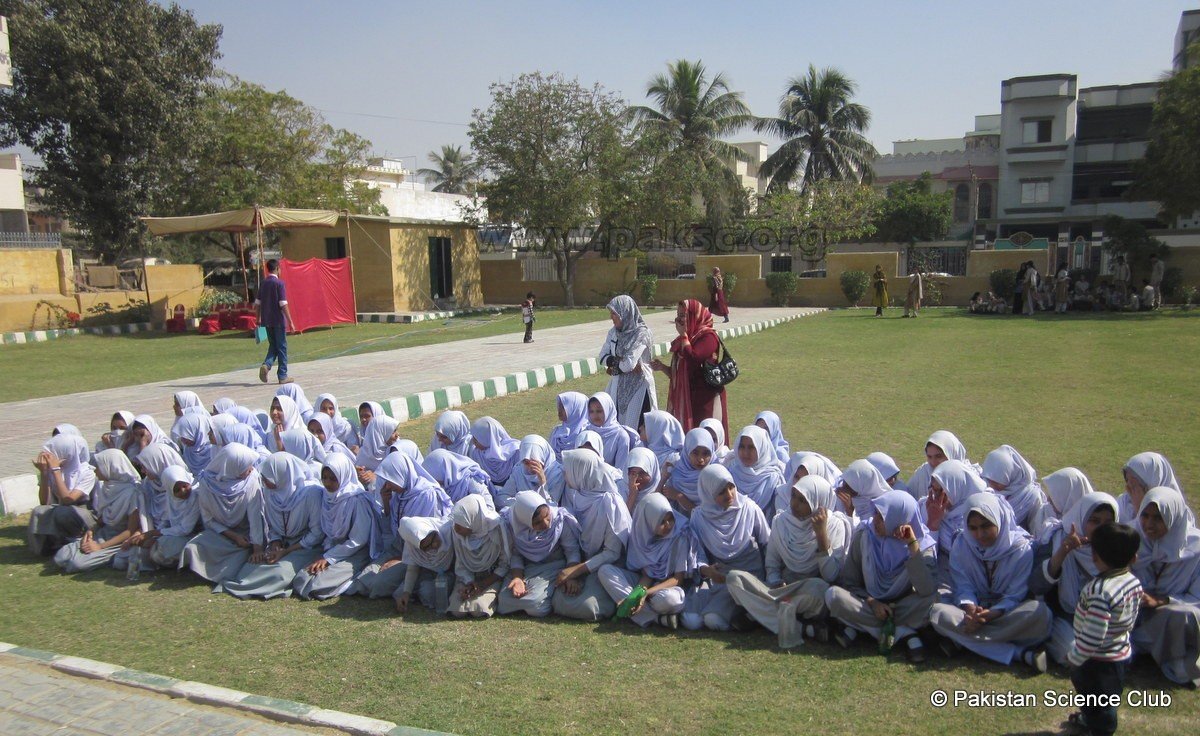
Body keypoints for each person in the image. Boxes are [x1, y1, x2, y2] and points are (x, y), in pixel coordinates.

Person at [929, 493, 1052, 671]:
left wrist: (990, 615)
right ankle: (1019, 653)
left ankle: (962, 641)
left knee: (1041, 613)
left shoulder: (1021, 549)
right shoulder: (963, 543)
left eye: (986, 526)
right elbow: (963, 586)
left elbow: (1015, 595)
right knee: (937, 611)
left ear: (999, 520)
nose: (980, 534)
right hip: (972, 614)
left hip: (1006, 613)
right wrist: (971, 611)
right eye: (973, 528)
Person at [726, 476, 853, 647]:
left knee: (821, 589)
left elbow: (830, 576)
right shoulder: (781, 521)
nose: (794, 504)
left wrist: (821, 535)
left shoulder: (834, 525)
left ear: (818, 502)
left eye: (803, 500)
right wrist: (776, 581)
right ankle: (801, 628)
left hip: (808, 589)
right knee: (734, 579)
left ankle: (758, 614)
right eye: (793, 496)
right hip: (781, 588)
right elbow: (772, 564)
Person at [825, 491, 938, 662]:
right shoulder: (865, 535)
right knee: (833, 595)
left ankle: (865, 628)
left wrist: (912, 545)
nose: (875, 520)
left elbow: (926, 589)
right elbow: (849, 582)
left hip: (902, 606)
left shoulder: (921, 546)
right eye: (876, 513)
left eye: (882, 517)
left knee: (934, 600)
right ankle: (903, 632)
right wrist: (872, 602)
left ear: (899, 519)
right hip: (868, 603)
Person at [1066, 522, 1143, 736]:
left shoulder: (1100, 591)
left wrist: (1075, 656)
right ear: (1134, 557)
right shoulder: (1133, 582)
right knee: (1107, 696)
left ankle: (1101, 728)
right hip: (1120, 652)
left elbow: (1094, 636)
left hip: (1096, 659)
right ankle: (1091, 719)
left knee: (1096, 697)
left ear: (1095, 557)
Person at [1028, 492, 1120, 667]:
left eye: (1108, 523)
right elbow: (1036, 586)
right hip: (1063, 617)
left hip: (1100, 618)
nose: (1101, 528)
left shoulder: (1115, 547)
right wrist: (1063, 552)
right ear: (1081, 519)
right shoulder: (1056, 539)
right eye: (1094, 521)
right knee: (1075, 655)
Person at [220, 453, 325, 599]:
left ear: (282, 475)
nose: (263, 481)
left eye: (267, 478)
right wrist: (275, 541)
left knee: (279, 572)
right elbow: (271, 524)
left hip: (305, 546)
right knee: (251, 567)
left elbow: (317, 533)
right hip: (283, 544)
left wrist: (286, 551)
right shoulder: (270, 493)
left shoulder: (311, 494)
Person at [683, 464, 771, 631]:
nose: (729, 495)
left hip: (749, 578)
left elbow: (767, 543)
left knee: (712, 619)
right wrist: (707, 570)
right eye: (721, 492)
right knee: (695, 620)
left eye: (731, 487)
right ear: (709, 493)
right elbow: (697, 553)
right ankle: (743, 614)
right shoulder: (699, 517)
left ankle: (746, 613)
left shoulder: (749, 509)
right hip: (719, 578)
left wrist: (770, 577)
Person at [1131, 487, 1200, 688]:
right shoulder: (1131, 537)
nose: (1149, 525)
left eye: (1158, 518)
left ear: (1173, 518)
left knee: (1183, 614)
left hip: (1172, 617)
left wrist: (1162, 600)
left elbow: (1197, 597)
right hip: (1135, 617)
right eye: (1145, 515)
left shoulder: (1195, 548)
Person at [599, 493, 699, 629]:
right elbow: (647, 575)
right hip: (647, 585)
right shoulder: (641, 535)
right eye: (662, 522)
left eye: (670, 519)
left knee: (670, 600)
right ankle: (657, 618)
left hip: (667, 588)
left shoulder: (679, 535)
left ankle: (639, 611)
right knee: (605, 571)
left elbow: (677, 579)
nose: (668, 525)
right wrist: (636, 594)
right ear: (648, 522)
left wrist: (644, 594)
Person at [554, 449, 632, 621]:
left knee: (585, 607)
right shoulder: (576, 495)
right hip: (582, 564)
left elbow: (612, 553)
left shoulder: (611, 504)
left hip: (608, 567)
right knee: (559, 600)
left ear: (580, 472)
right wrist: (572, 569)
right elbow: (571, 541)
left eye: (568, 469)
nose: (564, 474)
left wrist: (576, 570)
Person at [292, 454, 380, 600]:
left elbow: (359, 540)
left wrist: (328, 558)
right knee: (302, 577)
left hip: (356, 552)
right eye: (324, 478)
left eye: (333, 479)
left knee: (316, 584)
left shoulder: (356, 499)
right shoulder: (327, 497)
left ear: (344, 475)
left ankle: (354, 581)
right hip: (334, 549)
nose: (327, 483)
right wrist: (328, 555)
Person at [180, 443, 263, 585]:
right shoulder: (207, 483)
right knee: (193, 547)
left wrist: (257, 549)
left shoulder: (251, 480)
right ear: (230, 467)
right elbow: (208, 519)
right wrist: (233, 536)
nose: (251, 469)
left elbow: (255, 519)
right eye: (245, 466)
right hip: (222, 533)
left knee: (243, 555)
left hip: (246, 535)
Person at [52, 450, 144, 573]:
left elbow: (130, 530)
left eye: (99, 467)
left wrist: (100, 547)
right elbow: (103, 519)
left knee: (77, 564)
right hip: (103, 533)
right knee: (60, 557)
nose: (95, 470)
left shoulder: (133, 493)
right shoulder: (107, 487)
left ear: (110, 467)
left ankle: (110, 556)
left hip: (118, 540)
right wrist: (91, 531)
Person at [498, 491, 581, 618]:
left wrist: (571, 575)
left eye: (547, 516)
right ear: (525, 521)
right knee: (503, 600)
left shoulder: (559, 519)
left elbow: (572, 551)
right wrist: (517, 578)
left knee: (536, 605)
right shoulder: (514, 526)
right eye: (537, 522)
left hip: (554, 567)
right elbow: (516, 555)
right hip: (527, 569)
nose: (546, 524)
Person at [651, 299, 727, 437]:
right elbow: (680, 375)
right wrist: (662, 367)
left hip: (704, 401)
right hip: (687, 400)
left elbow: (693, 359)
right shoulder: (687, 339)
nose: (679, 319)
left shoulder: (709, 337)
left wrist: (683, 335)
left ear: (694, 315)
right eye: (678, 315)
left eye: (683, 315)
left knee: (703, 440)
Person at [27, 433, 97, 556]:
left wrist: (56, 471)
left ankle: (76, 541)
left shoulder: (87, 472)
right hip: (63, 508)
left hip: (85, 513)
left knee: (63, 512)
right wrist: (44, 473)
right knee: (39, 511)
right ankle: (45, 549)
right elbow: (44, 502)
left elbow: (68, 499)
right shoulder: (57, 469)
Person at [447, 494, 511, 618]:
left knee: (479, 609)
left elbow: (505, 563)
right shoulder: (458, 533)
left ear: (473, 520)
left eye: (460, 525)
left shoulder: (497, 528)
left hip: (492, 577)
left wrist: (483, 584)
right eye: (456, 523)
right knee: (457, 610)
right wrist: (469, 583)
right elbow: (460, 563)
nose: (456, 528)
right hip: (467, 578)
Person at [598, 295, 657, 428]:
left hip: (639, 386)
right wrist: (619, 362)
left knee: (637, 427)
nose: (611, 317)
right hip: (617, 385)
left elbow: (629, 364)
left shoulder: (642, 334)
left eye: (614, 313)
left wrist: (614, 365)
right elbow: (602, 358)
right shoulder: (613, 332)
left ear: (625, 313)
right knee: (617, 425)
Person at [981, 444, 1049, 536]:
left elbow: (1036, 531)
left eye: (997, 481)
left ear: (1011, 474)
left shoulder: (1031, 496)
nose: (991, 485)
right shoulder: (984, 487)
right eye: (989, 479)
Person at [393, 516, 456, 614]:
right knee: (400, 593)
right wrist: (406, 593)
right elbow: (412, 569)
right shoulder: (412, 545)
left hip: (449, 573)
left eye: (433, 538)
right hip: (426, 573)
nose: (434, 545)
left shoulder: (448, 530)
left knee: (427, 592)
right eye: (427, 546)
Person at [726, 425, 785, 517]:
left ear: (761, 448)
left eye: (751, 447)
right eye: (742, 447)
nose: (746, 453)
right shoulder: (731, 472)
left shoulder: (773, 479)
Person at [256, 258, 296, 385]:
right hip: (278, 320)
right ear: (278, 268)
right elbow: (283, 304)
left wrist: (258, 318)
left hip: (266, 321)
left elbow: (257, 303)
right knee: (282, 347)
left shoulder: (263, 283)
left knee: (273, 345)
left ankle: (266, 365)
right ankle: (282, 375)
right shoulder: (279, 284)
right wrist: (290, 321)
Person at [467, 416, 522, 487]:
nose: (473, 443)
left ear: (487, 439)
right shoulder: (476, 453)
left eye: (476, 440)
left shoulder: (515, 452)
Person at [548, 392, 589, 460]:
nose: (559, 410)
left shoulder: (586, 434)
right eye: (559, 406)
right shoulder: (556, 433)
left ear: (576, 409)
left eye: (563, 407)